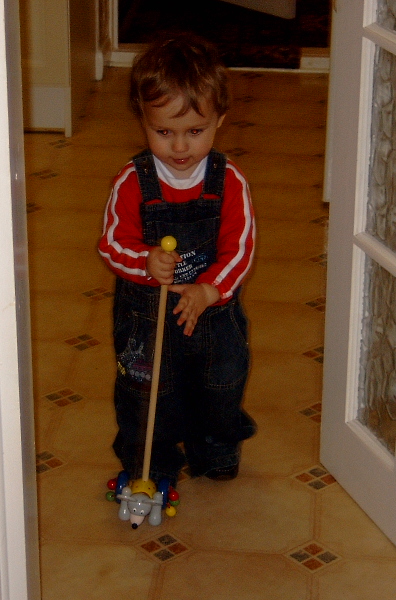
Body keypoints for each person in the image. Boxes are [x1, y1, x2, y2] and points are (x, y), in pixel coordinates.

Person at [97, 32, 256, 486]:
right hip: (147, 315)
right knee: (146, 392)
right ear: (142, 120)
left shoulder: (230, 182)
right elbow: (112, 243)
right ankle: (151, 461)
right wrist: (143, 261)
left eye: (195, 132)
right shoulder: (132, 182)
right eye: (164, 132)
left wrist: (210, 289)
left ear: (219, 120)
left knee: (220, 385)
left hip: (213, 314)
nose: (180, 147)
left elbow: (240, 249)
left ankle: (216, 448)